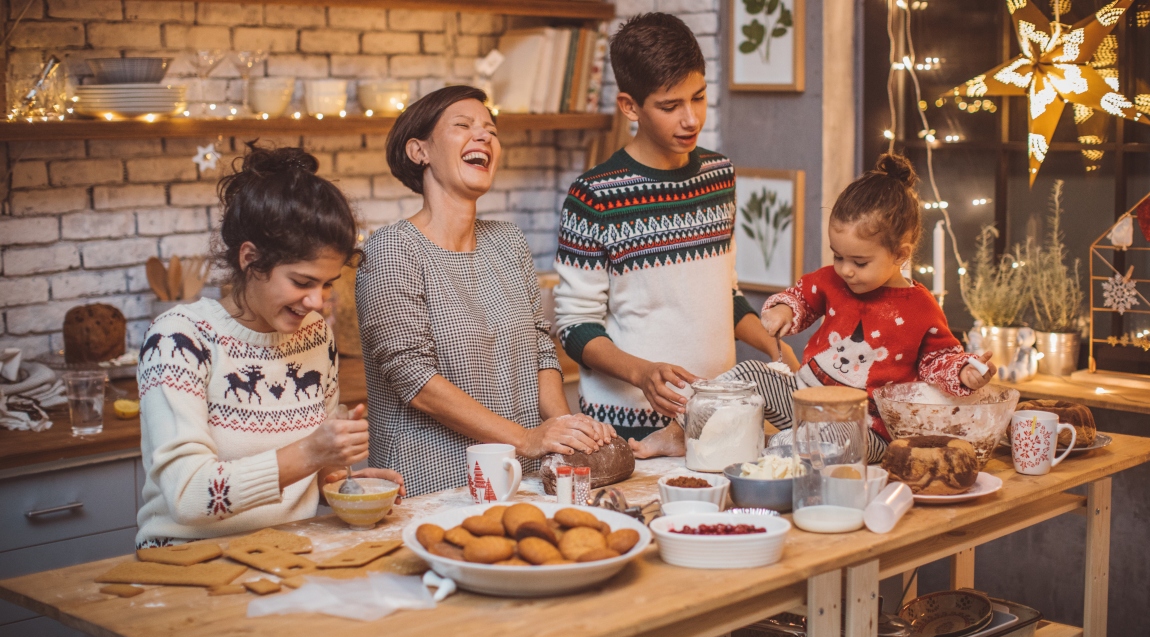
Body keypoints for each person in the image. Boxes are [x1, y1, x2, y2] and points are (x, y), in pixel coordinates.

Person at [553, 14, 798, 457]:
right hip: (626, 428)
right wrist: (643, 373)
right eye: (670, 106)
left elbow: (726, 293)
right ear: (630, 106)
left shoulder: (718, 174)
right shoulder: (593, 196)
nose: (691, 119)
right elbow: (575, 327)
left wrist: (771, 344)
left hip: (718, 417)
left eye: (699, 98)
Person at [135, 146, 403, 549]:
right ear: (250, 259)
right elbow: (187, 496)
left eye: (327, 283)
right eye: (301, 282)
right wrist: (311, 453)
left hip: (285, 551)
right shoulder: (179, 339)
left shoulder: (313, 333)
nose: (317, 302)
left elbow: (312, 471)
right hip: (185, 561)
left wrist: (344, 484)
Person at [357, 85, 616, 498]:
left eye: (491, 130)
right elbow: (415, 380)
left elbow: (540, 349)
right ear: (418, 151)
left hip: (525, 479)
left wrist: (565, 435)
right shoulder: (391, 249)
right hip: (434, 487)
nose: (483, 137)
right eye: (463, 126)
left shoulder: (508, 242)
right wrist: (527, 439)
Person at [748, 153, 997, 461]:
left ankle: (791, 445)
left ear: (900, 254)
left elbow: (939, 359)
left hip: (865, 428)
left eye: (860, 262)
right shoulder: (832, 281)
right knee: (748, 374)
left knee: (833, 437)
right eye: (837, 256)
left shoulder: (920, 308)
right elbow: (801, 298)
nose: (845, 270)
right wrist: (784, 310)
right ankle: (715, 435)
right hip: (804, 400)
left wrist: (963, 372)